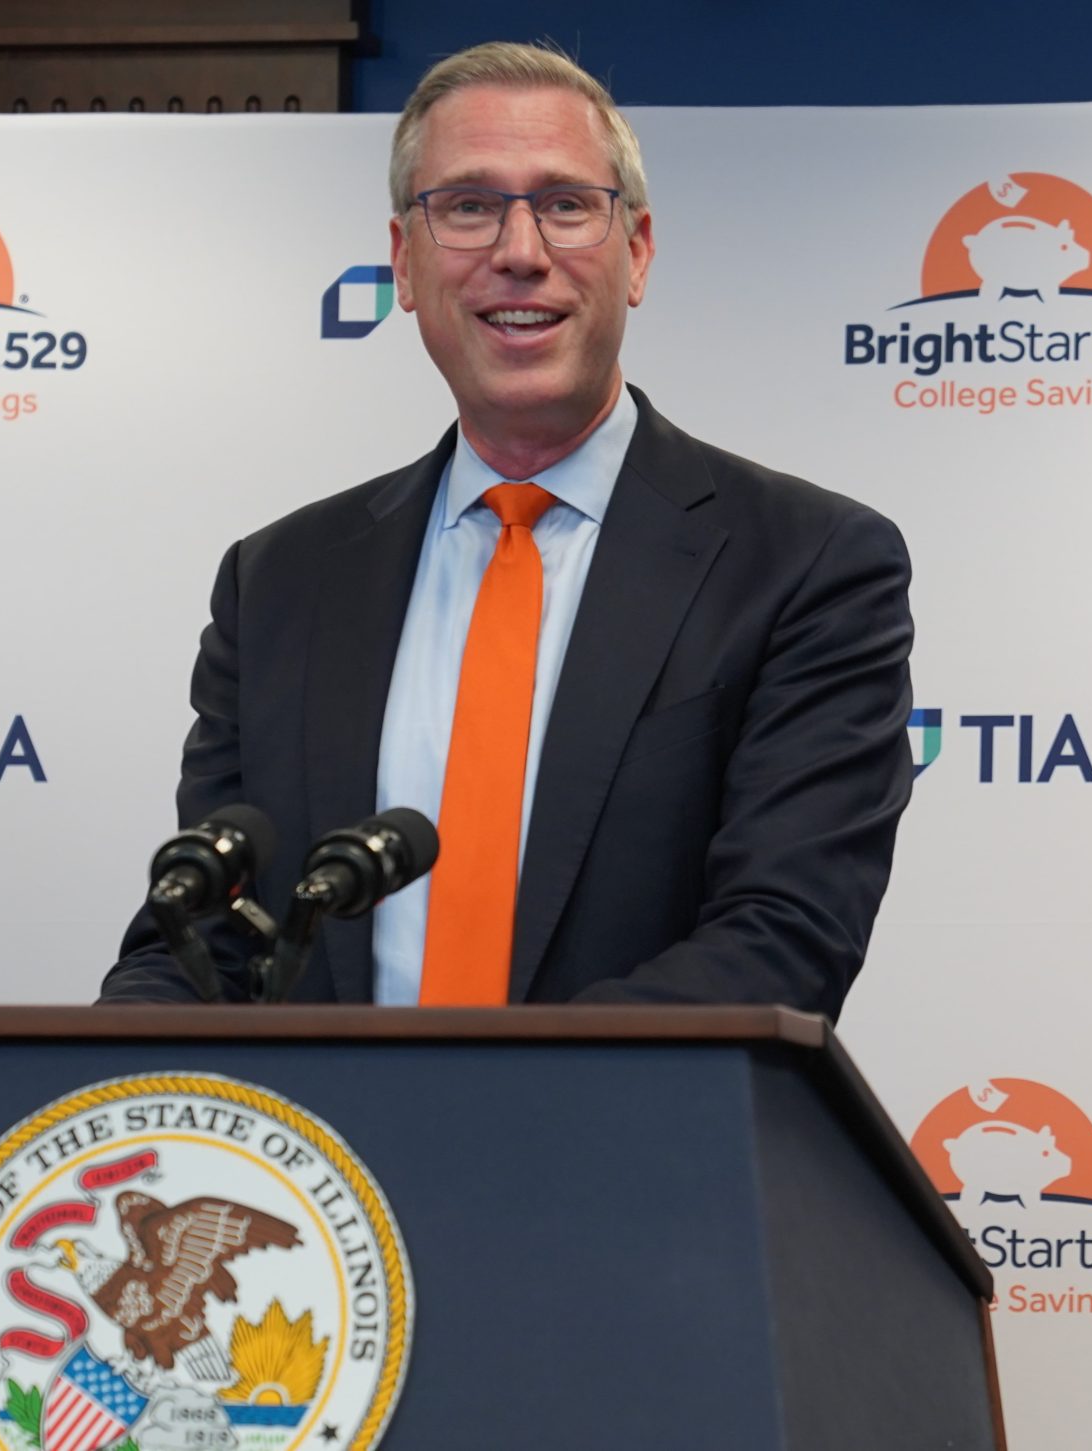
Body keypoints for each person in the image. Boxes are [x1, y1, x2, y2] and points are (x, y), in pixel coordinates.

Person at [100, 42, 912, 1011]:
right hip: (320, 1118)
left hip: (626, 1116)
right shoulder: (278, 582)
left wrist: (504, 1091)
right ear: (404, 262)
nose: (520, 251)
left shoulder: (806, 565)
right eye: (468, 207)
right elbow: (202, 939)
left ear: (637, 252)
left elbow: (781, 943)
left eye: (565, 205)